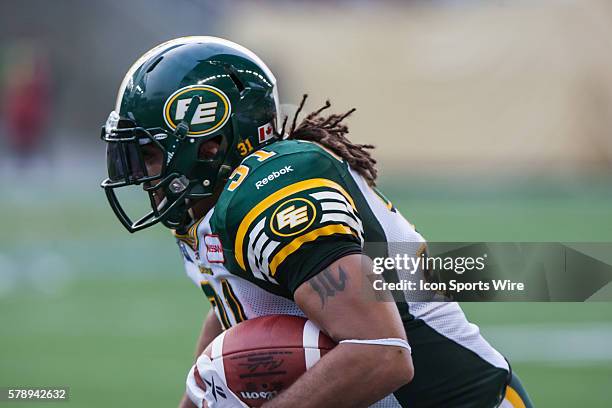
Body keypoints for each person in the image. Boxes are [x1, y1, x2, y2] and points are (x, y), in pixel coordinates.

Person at [100, 36, 533, 408]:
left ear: (209, 145)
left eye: (148, 154)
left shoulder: (271, 193)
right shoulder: (211, 209)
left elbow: (380, 353)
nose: (140, 176)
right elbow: (234, 307)